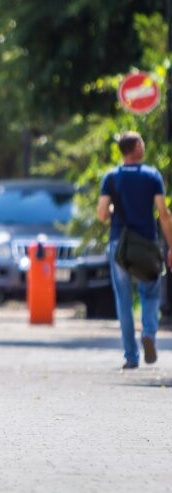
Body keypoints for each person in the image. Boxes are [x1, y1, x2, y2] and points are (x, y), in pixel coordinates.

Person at [96, 131, 172, 369]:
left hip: (120, 244)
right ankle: (148, 333)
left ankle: (131, 356)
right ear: (137, 147)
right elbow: (163, 214)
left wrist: (112, 213)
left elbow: (101, 214)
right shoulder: (152, 176)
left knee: (124, 300)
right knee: (150, 292)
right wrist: (170, 245)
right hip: (147, 244)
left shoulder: (111, 177)